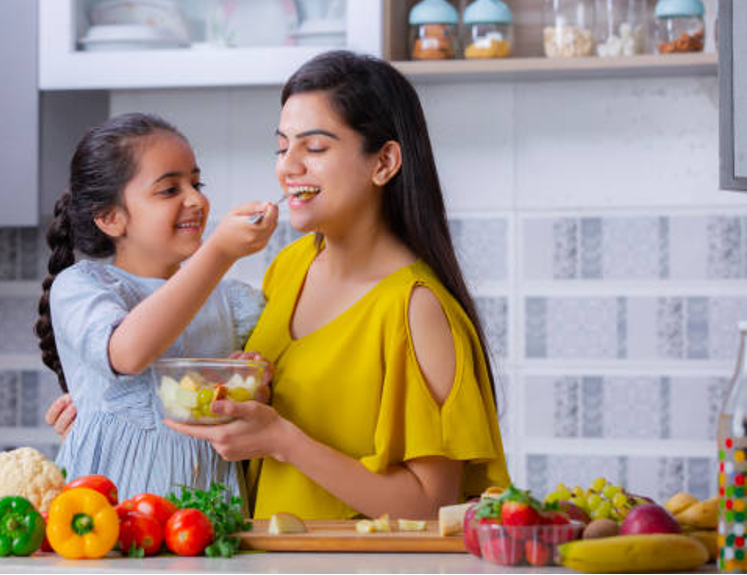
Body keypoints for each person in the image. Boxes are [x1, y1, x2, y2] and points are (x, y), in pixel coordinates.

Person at [48, 52, 510, 519]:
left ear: (384, 162)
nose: (287, 167)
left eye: (314, 148)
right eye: (282, 146)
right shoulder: (289, 267)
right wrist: (112, 417)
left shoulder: (418, 309)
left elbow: (435, 509)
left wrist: (283, 441)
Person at [35, 112, 278, 500]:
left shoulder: (232, 302)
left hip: (209, 528)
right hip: (104, 530)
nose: (196, 199)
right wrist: (219, 251)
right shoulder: (83, 286)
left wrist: (253, 391)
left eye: (196, 183)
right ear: (111, 218)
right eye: (169, 190)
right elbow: (127, 353)